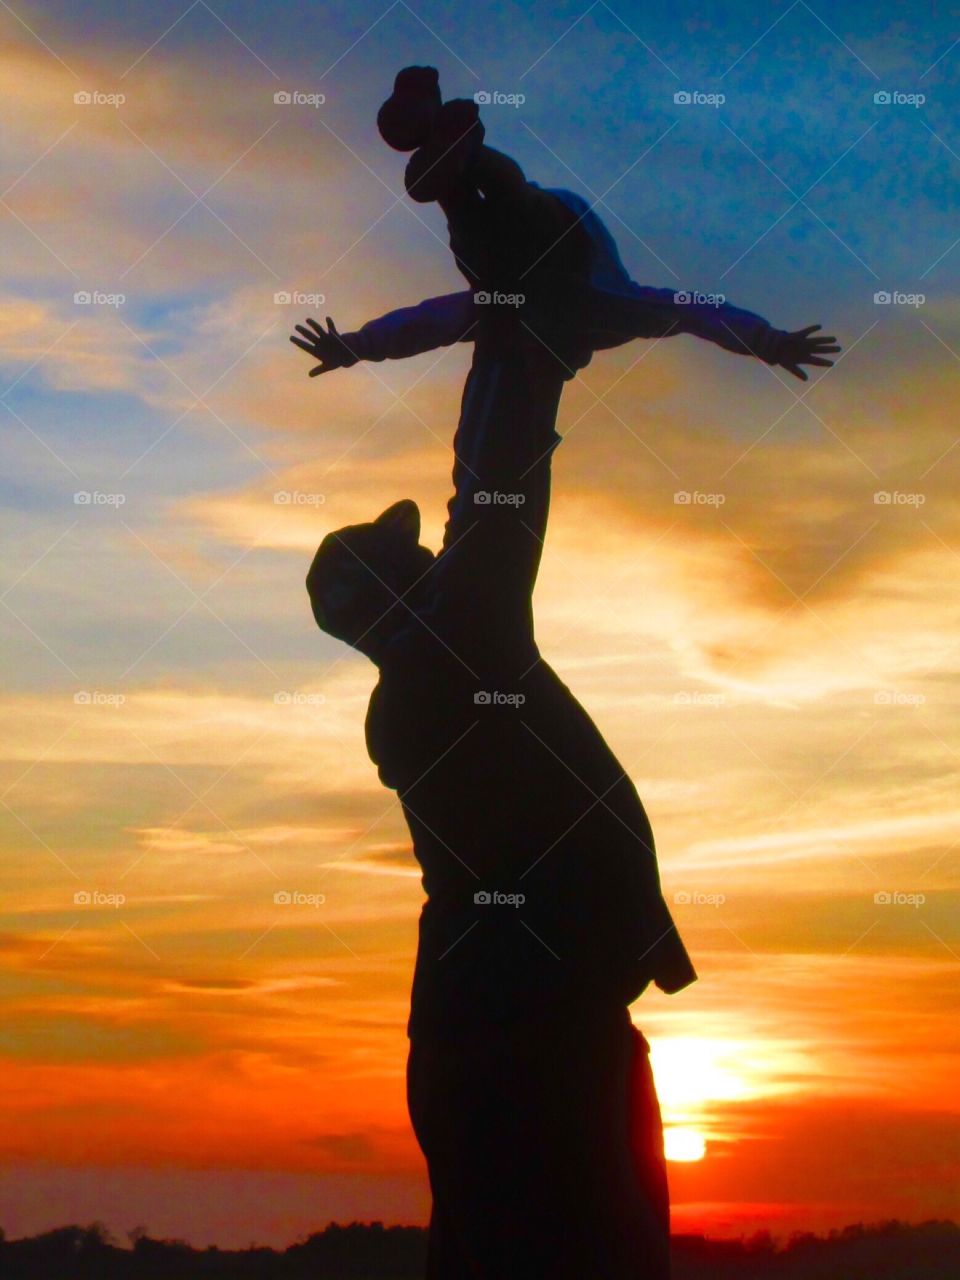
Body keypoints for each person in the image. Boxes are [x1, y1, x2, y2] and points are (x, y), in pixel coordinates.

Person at [306, 286, 694, 1274]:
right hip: (536, 1045)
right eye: (417, 558)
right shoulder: (456, 649)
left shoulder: (420, 685)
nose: (436, 556)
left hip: (496, 1035)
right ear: (401, 590)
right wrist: (521, 350)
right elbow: (490, 500)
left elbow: (477, 517)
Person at [291, 66, 839, 384]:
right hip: (565, 249)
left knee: (490, 236)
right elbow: (691, 309)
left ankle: (456, 150)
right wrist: (766, 340)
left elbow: (425, 322)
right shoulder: (597, 313)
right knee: (496, 230)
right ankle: (459, 153)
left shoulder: (508, 312)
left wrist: (356, 346)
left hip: (546, 249)